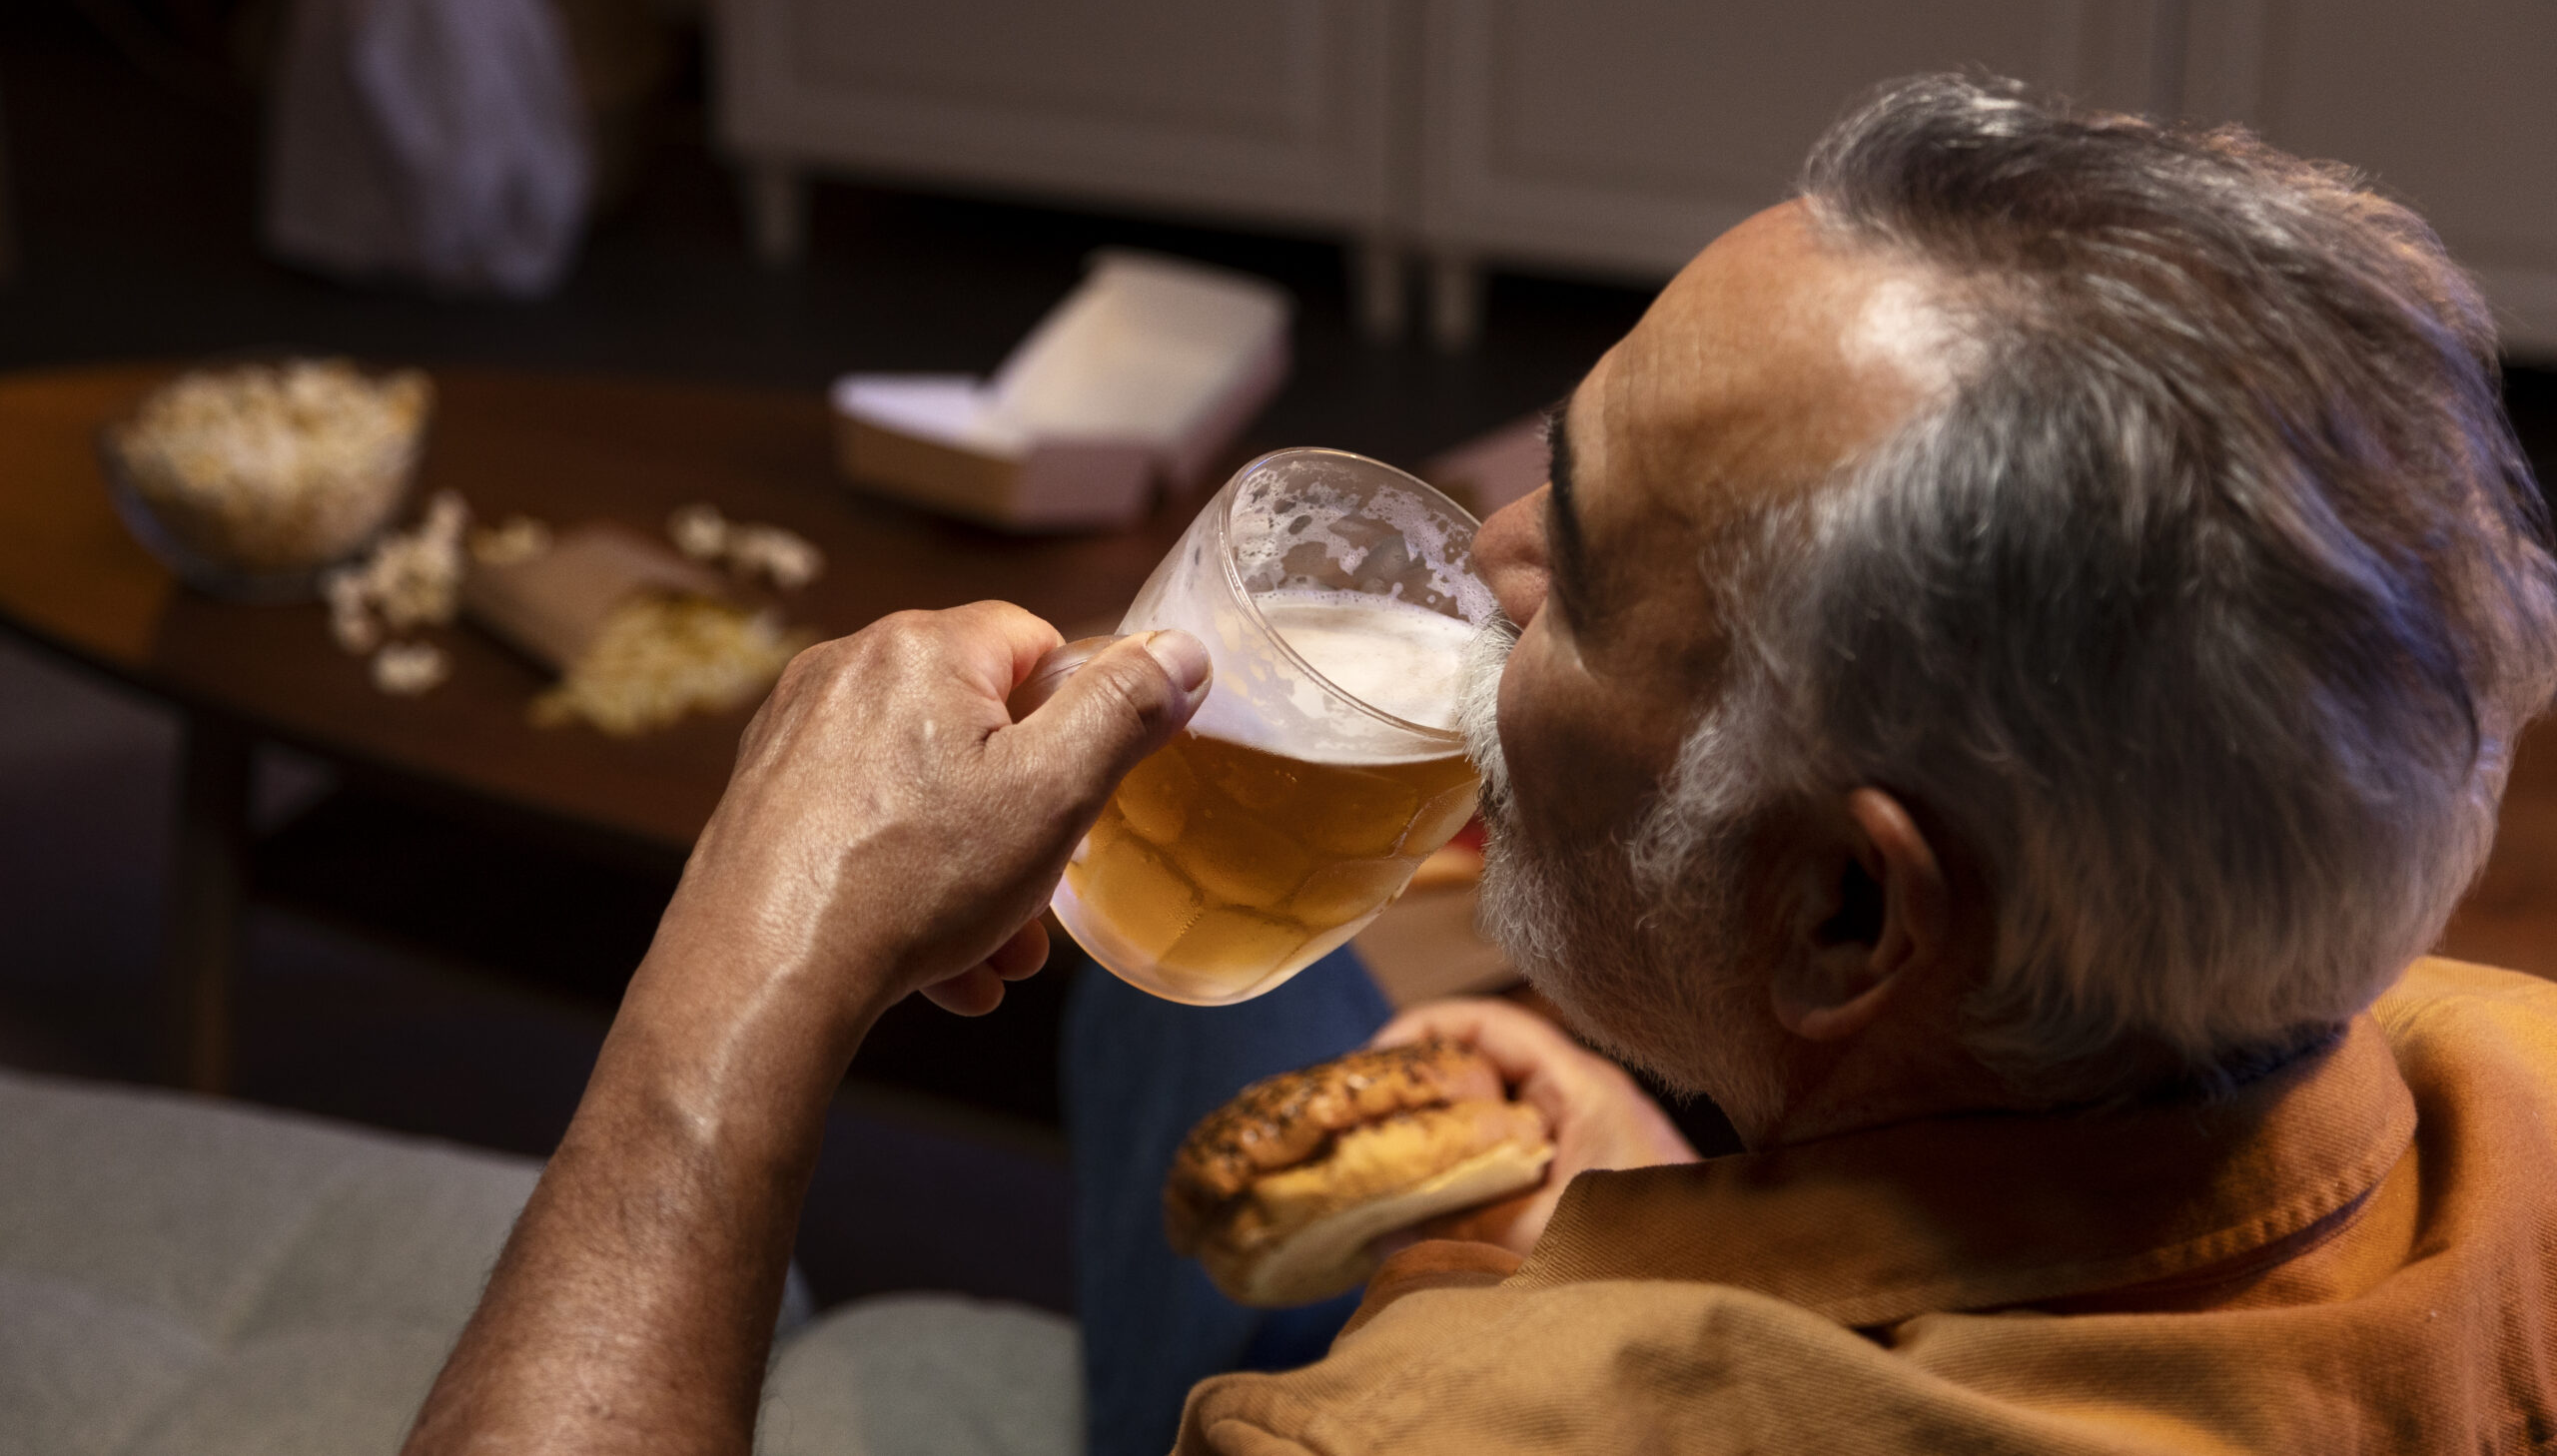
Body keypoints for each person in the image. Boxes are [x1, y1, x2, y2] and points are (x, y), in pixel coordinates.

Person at [400, 76, 2557, 1455]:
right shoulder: (2519, 1089)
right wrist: (1689, 1197)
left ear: (1843, 911)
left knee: (1173, 1009)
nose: (1482, 566)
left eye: (1580, 564)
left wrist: (746, 972)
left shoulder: (1414, 1438)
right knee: (1198, 1012)